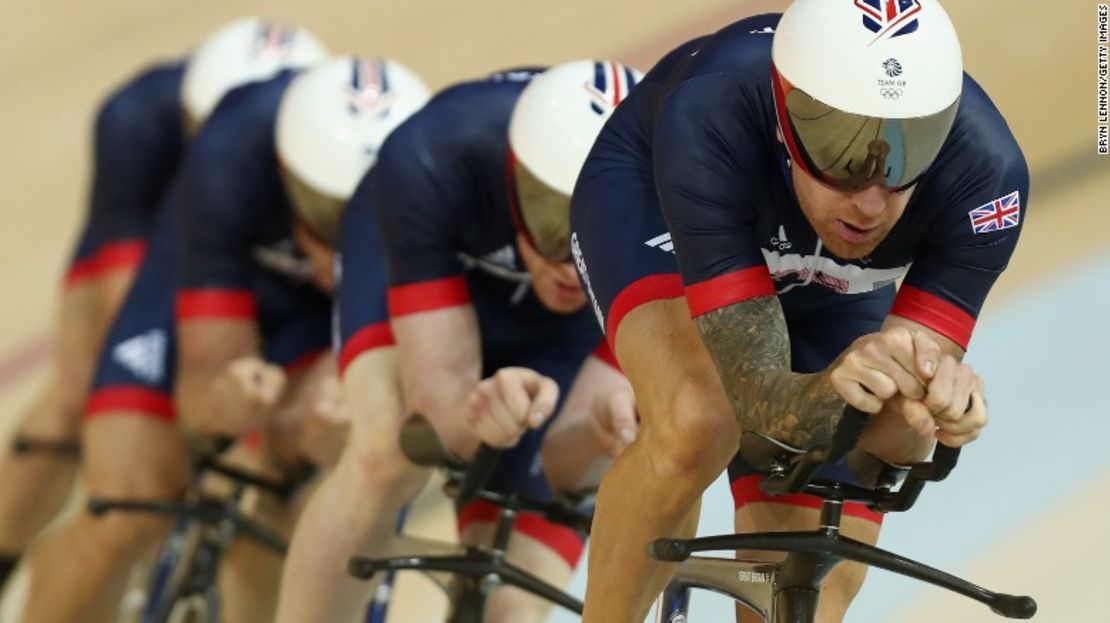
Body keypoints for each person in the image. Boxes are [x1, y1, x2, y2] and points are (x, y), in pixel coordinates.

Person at [569, 1, 1028, 621]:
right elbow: (760, 400)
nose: (870, 202)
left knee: (811, 581)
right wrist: (856, 390)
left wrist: (936, 410)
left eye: (906, 154)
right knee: (699, 421)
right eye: (840, 151)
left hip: (832, 280)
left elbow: (880, 451)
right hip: (662, 206)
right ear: (785, 111)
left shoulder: (987, 177)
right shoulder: (713, 109)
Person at [17, 49, 429, 623]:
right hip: (214, 285)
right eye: (323, 211)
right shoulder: (229, 152)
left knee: (313, 490)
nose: (340, 240)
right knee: (126, 508)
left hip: (329, 316)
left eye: (359, 215)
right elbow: (204, 377)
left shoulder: (434, 191)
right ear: (283, 168)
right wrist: (223, 403)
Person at [274, 60, 640, 623]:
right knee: (384, 454)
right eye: (550, 218)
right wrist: (475, 414)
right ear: (514, 173)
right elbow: (440, 411)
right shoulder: (435, 154)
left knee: (511, 608)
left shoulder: (687, 207)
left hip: (567, 334)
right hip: (426, 258)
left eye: (599, 226)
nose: (569, 262)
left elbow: (567, 467)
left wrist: (598, 433)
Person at [0, 17, 326, 597]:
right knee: (77, 396)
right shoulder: (137, 120)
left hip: (273, 264)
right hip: (163, 249)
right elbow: (126, 299)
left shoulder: (324, 147)